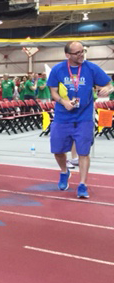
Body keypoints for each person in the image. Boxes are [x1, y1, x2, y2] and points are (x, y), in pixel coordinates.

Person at [47, 41, 114, 199]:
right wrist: (63, 102)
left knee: (83, 153)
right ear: (67, 55)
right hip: (62, 117)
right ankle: (64, 172)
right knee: (58, 151)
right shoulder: (58, 69)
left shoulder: (90, 68)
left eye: (82, 51)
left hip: (84, 118)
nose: (81, 55)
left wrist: (108, 88)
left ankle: (82, 184)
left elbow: (109, 83)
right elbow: (53, 92)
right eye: (77, 53)